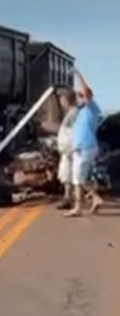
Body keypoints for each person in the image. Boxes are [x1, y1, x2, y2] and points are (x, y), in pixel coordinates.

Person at [65, 70, 103, 217]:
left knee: (77, 181)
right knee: (82, 179)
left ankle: (78, 208)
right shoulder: (82, 112)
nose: (79, 98)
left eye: (81, 96)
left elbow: (86, 91)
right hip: (83, 148)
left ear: (88, 97)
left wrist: (79, 75)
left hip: (84, 149)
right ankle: (95, 198)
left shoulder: (92, 108)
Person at [55, 88, 78, 210]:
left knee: (70, 174)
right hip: (67, 150)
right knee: (67, 174)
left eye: (61, 99)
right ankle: (68, 197)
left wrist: (69, 148)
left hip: (70, 150)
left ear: (66, 100)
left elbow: (72, 133)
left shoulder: (74, 113)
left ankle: (70, 199)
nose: (60, 102)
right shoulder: (70, 113)